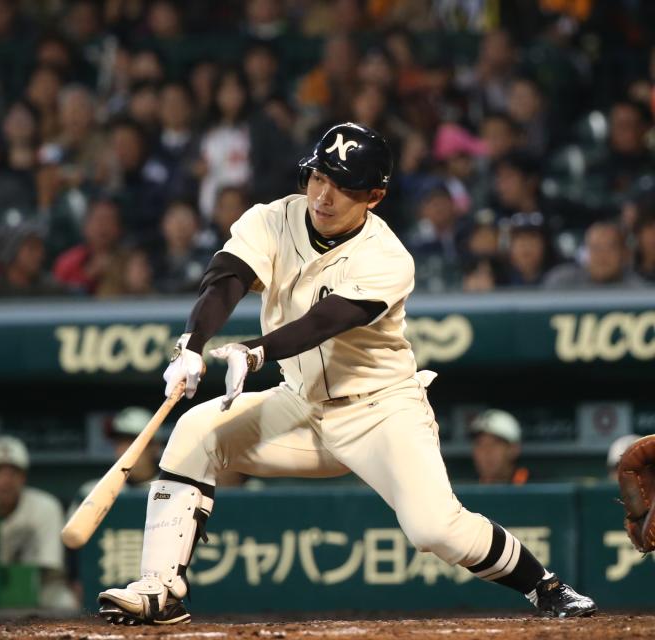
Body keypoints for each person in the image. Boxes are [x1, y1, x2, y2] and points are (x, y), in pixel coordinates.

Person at [97, 122, 595, 625]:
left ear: (374, 195)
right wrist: (191, 344)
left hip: (380, 411)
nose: (323, 194)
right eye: (318, 177)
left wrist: (254, 352)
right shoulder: (273, 219)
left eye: (343, 185)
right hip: (301, 403)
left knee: (435, 531)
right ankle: (160, 589)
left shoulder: (387, 257)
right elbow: (227, 278)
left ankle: (545, 586)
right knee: (196, 431)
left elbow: (323, 323)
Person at [0, 436, 76, 609]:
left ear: (24, 477)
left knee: (64, 601)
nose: (6, 480)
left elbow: (49, 568)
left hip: (37, 587)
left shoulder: (45, 506)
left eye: (14, 472)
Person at [469, 409, 529, 485]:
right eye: (479, 444)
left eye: (495, 443)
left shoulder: (536, 486)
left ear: (514, 449)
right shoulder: (459, 490)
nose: (486, 451)